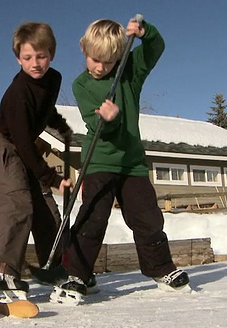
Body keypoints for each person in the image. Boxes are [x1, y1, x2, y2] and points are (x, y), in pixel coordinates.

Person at [50, 17, 190, 305]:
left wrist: (146, 32)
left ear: (118, 58)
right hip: (99, 160)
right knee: (93, 217)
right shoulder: (82, 85)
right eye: (94, 59)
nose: (100, 67)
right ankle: (78, 275)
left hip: (132, 163)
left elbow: (156, 48)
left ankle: (160, 268)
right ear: (83, 49)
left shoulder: (130, 73)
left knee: (148, 217)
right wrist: (108, 119)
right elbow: (96, 124)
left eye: (109, 62)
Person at [0, 22, 73, 299]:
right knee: (16, 200)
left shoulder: (54, 79)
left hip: (24, 143)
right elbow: (22, 143)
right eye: (27, 57)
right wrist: (51, 178)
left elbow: (45, 107)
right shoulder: (17, 94)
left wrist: (61, 126)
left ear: (51, 54)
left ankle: (54, 265)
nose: (35, 63)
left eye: (41, 56)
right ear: (18, 58)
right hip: (3, 144)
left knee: (44, 205)